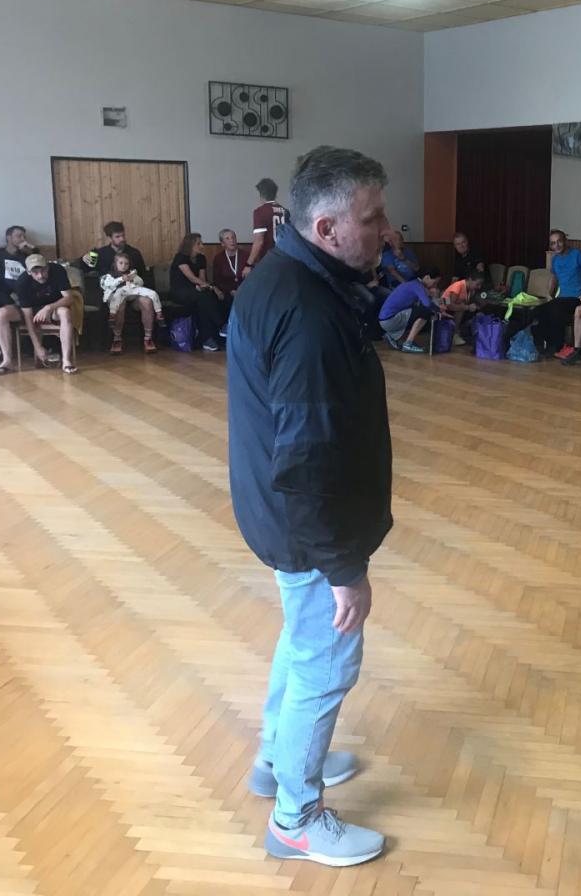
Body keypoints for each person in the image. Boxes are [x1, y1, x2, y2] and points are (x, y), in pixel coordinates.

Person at [227, 145, 391, 867]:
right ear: (326, 228)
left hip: (278, 511)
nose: (386, 229)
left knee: (302, 637)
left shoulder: (285, 274)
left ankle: (276, 759)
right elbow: (308, 455)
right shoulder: (308, 311)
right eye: (371, 217)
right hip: (306, 523)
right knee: (327, 660)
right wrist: (343, 567)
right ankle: (296, 816)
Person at [0, 253, 79, 374]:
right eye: (35, 272)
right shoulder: (22, 282)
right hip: (30, 309)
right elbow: (28, 316)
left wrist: (49, 307)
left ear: (47, 267)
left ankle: (66, 360)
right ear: (28, 272)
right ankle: (7, 361)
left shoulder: (58, 270)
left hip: (53, 307)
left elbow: (69, 298)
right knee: (1, 313)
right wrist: (37, 346)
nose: (40, 276)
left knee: (65, 312)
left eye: (43, 270)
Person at [170, 232, 228, 352]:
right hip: (180, 291)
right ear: (190, 245)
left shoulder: (201, 258)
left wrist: (205, 287)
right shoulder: (180, 257)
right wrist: (211, 287)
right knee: (205, 297)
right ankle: (222, 325)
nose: (202, 246)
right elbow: (191, 278)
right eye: (198, 243)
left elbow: (202, 279)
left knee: (205, 300)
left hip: (197, 290)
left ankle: (208, 339)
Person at [536, 229, 581, 357]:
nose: (557, 245)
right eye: (553, 243)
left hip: (577, 298)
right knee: (540, 310)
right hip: (561, 299)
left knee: (555, 309)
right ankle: (545, 345)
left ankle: (558, 346)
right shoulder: (555, 259)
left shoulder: (577, 254)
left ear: (565, 241)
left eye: (559, 241)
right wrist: (549, 294)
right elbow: (554, 278)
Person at [100, 252, 164, 354]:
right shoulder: (110, 275)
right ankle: (117, 339)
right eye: (121, 263)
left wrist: (132, 280)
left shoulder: (132, 274)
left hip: (133, 294)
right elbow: (107, 285)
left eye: (126, 264)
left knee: (147, 300)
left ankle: (148, 338)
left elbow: (140, 283)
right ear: (115, 264)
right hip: (117, 296)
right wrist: (121, 279)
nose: (124, 266)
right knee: (119, 303)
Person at [0, 225, 35, 339]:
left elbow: (35, 273)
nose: (23, 239)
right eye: (19, 236)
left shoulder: (25, 256)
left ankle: (28, 343)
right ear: (9, 237)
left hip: (21, 293)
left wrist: (31, 252)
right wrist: (8, 296)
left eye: (24, 237)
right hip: (0, 292)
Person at [378, 270, 441, 353]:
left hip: (384, 320)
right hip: (390, 319)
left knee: (419, 312)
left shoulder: (411, 284)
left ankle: (391, 335)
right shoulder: (417, 285)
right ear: (427, 277)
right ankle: (408, 344)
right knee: (426, 311)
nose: (435, 286)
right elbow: (427, 304)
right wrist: (439, 309)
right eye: (435, 282)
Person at [247, 177, 289, 271]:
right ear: (275, 194)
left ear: (261, 194)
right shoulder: (286, 211)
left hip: (269, 258)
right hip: (286, 257)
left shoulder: (260, 212)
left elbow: (259, 241)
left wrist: (248, 264)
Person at [441, 275, 481, 345]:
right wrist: (467, 307)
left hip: (453, 308)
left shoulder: (469, 290)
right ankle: (454, 335)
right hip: (443, 308)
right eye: (477, 284)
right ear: (470, 279)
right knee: (461, 309)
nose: (479, 287)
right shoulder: (458, 286)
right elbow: (450, 306)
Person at [211, 228, 248, 300]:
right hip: (227, 292)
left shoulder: (245, 255)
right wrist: (230, 291)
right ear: (222, 243)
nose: (232, 240)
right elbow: (217, 280)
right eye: (227, 238)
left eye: (233, 237)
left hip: (245, 291)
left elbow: (253, 276)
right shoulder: (218, 258)